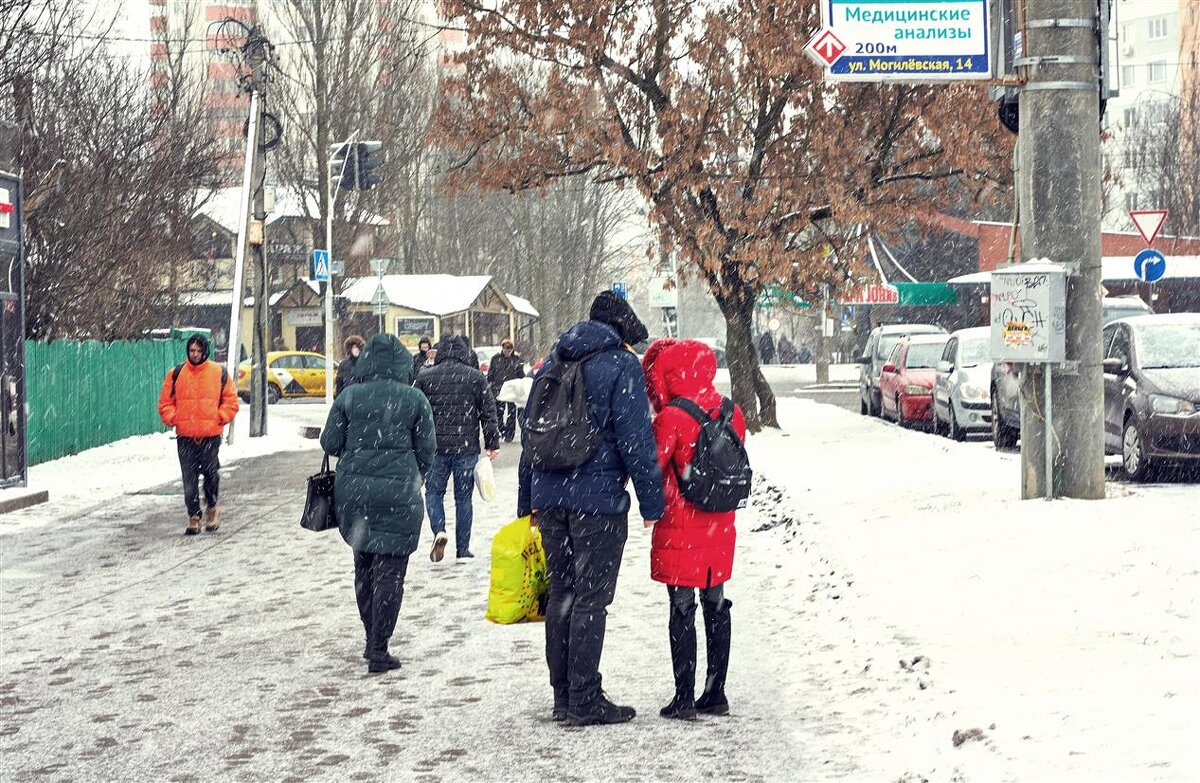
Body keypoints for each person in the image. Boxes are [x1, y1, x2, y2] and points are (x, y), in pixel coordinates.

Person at [518, 290, 665, 727]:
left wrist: (529, 501)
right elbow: (637, 441)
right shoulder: (621, 366)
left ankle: (563, 695)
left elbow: (531, 438)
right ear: (622, 332)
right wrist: (651, 502)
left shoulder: (553, 362)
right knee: (591, 599)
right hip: (596, 502)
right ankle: (585, 697)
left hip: (550, 499)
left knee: (562, 593)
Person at [320, 334, 436, 674]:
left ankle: (371, 635)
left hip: (355, 492)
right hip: (400, 492)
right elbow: (428, 449)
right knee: (391, 571)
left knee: (364, 566)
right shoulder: (414, 399)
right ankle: (379, 645)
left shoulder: (349, 396)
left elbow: (330, 441)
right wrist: (414, 474)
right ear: (402, 364)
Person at [642, 339, 745, 720]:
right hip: (719, 522)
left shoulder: (671, 416)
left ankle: (683, 697)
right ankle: (715, 692)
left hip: (680, 523)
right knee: (715, 601)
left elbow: (654, 465)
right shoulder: (732, 412)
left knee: (682, 605)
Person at [413, 335, 500, 561]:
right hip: (466, 447)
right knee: (463, 498)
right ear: (464, 353)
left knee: (433, 493)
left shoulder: (425, 378)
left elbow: (417, 414)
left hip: (435, 448)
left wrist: (415, 441)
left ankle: (439, 529)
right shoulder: (475, 377)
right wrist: (492, 443)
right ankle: (463, 549)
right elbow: (488, 412)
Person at [157, 334, 240, 535]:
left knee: (211, 474)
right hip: (185, 436)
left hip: (210, 436)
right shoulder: (176, 373)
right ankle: (194, 516)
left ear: (205, 351)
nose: (194, 354)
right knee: (189, 479)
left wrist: (219, 417)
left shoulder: (218, 372)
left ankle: (212, 508)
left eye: (198, 350)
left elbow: (231, 401)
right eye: (191, 350)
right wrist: (175, 418)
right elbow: (165, 403)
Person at [487, 338, 525, 443]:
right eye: (505, 348)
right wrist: (489, 386)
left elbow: (521, 376)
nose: (507, 350)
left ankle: (509, 434)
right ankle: (502, 430)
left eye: (509, 348)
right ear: (502, 348)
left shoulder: (517, 360)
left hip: (513, 390)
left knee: (511, 413)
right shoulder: (495, 359)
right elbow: (491, 374)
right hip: (498, 390)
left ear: (512, 349)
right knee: (499, 413)